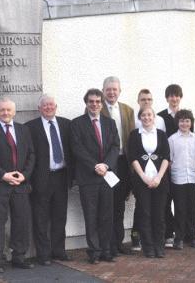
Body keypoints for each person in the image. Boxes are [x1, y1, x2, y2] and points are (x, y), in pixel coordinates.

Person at [0, 97, 35, 273]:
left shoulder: (23, 130)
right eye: (2, 110)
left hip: (20, 185)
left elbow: (31, 155)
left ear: (14, 112)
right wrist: (3, 175)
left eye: (8, 110)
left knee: (21, 221)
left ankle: (19, 256)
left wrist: (23, 175)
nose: (5, 113)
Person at [71, 88, 119, 264]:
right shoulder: (76, 124)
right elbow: (77, 148)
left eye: (98, 101)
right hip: (88, 177)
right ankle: (94, 252)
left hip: (107, 175)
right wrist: (94, 165)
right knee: (91, 216)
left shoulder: (110, 123)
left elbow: (115, 146)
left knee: (107, 215)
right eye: (91, 101)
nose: (95, 104)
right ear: (86, 103)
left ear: (102, 103)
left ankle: (106, 250)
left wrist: (105, 164)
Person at [25, 94, 73, 266]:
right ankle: (43, 254)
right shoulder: (30, 127)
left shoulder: (66, 124)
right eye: (45, 105)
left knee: (60, 216)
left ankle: (59, 251)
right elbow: (27, 155)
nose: (48, 107)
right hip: (40, 179)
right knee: (40, 218)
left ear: (56, 106)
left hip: (61, 176)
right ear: (39, 108)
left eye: (51, 105)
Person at [128, 107, 170, 258]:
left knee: (159, 214)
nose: (146, 117)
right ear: (140, 118)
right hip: (141, 181)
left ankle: (159, 246)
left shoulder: (161, 134)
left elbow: (166, 157)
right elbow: (132, 157)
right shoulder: (134, 135)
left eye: (149, 115)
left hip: (160, 180)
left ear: (154, 117)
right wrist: (143, 177)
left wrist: (158, 177)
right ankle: (148, 247)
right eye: (143, 115)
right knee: (145, 214)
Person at [100, 76, 135, 256]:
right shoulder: (97, 108)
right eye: (108, 89)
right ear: (103, 91)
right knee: (107, 204)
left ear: (119, 91)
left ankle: (118, 242)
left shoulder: (128, 110)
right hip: (106, 165)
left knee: (119, 204)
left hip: (123, 163)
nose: (111, 92)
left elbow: (132, 137)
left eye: (115, 89)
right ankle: (108, 244)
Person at [168, 109, 195, 250]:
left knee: (192, 209)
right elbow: (169, 160)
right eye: (181, 121)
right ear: (177, 122)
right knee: (180, 209)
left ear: (191, 122)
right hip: (178, 178)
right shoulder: (172, 139)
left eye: (187, 121)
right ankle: (179, 238)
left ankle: (193, 237)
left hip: (193, 177)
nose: (184, 123)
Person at [157, 84, 184, 247]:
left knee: (181, 201)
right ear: (167, 98)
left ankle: (183, 233)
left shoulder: (185, 115)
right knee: (166, 200)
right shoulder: (160, 117)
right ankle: (168, 233)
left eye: (176, 95)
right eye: (171, 96)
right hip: (165, 164)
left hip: (182, 164)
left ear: (180, 97)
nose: (174, 99)